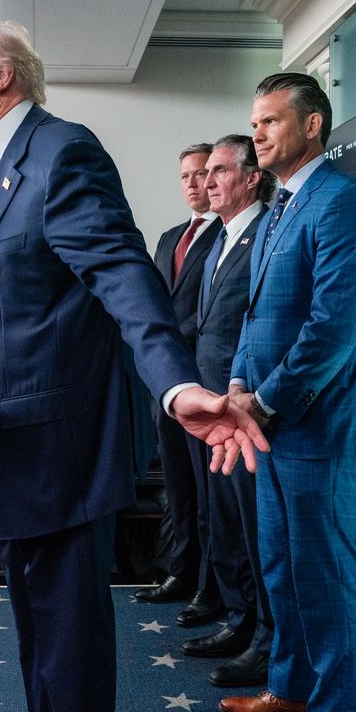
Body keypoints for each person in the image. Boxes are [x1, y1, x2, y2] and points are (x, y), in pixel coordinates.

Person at [0, 15, 266, 712]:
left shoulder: (60, 153)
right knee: (42, 641)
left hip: (58, 450)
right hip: (13, 445)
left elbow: (123, 277)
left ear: (0, 74)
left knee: (67, 647)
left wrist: (176, 385)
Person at [218, 73, 356, 712]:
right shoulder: (279, 209)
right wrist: (237, 384)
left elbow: (333, 329)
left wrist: (262, 401)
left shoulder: (345, 204)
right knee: (283, 570)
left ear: (312, 125)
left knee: (325, 579)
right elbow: (256, 317)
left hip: (321, 427)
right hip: (269, 427)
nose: (257, 132)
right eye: (254, 122)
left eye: (270, 121)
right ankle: (288, 694)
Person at [182, 135, 274, 688]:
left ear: (251, 178)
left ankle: (266, 639)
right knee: (226, 523)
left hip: (245, 415)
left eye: (219, 171)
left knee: (255, 527)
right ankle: (239, 621)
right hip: (210, 409)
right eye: (206, 172)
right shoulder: (217, 240)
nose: (208, 181)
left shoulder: (265, 234)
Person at [135, 143, 225, 626]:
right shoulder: (171, 236)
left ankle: (209, 589)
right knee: (178, 488)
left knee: (210, 493)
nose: (195, 184)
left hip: (206, 385)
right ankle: (180, 572)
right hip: (166, 386)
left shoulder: (232, 234)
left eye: (203, 174)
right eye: (187, 176)